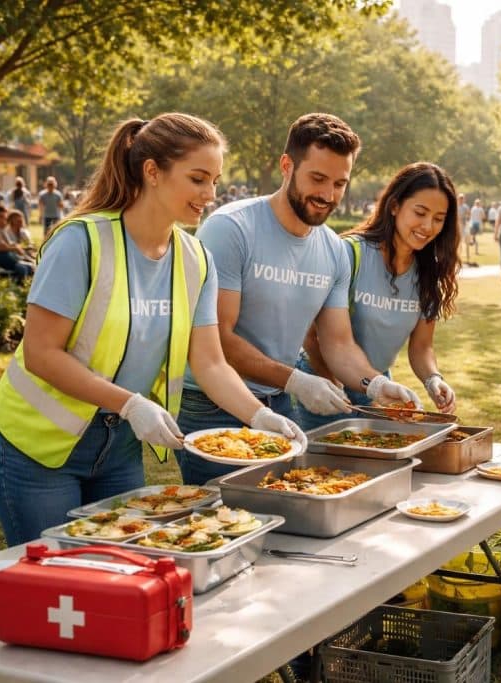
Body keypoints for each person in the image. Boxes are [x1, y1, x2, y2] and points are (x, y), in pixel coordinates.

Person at [0, 113, 303, 546]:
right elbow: (42, 353)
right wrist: (131, 403)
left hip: (118, 451)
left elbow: (210, 362)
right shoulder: (80, 241)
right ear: (152, 171)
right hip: (37, 450)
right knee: (53, 585)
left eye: (214, 181)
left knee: (120, 576)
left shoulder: (196, 259)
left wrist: (258, 416)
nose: (209, 195)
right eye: (197, 179)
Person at [174, 113, 419, 486]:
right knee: (226, 520)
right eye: (317, 179)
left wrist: (372, 384)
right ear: (287, 166)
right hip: (211, 406)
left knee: (282, 515)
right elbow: (219, 338)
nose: (328, 195)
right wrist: (297, 381)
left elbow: (337, 342)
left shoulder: (334, 250)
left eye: (340, 183)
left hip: (280, 401)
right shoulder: (231, 228)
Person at [295, 162, 460, 431]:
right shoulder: (349, 254)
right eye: (420, 212)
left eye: (439, 219)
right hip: (324, 383)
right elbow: (311, 335)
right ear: (394, 206)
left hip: (380, 387)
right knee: (325, 471)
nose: (428, 226)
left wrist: (433, 379)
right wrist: (331, 384)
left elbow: (421, 347)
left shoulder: (429, 274)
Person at [0, 205, 34, 282]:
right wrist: (16, 248)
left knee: (28, 266)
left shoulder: (0, 230)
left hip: (3, 256)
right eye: (1, 217)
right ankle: (20, 285)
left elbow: (10, 244)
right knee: (23, 268)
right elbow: (1, 247)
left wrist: (21, 248)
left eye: (5, 217)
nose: (4, 219)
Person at [457, 193, 471, 263]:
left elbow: (469, 214)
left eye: (462, 198)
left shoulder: (465, 207)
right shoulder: (456, 206)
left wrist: (466, 219)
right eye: (460, 198)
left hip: (465, 225)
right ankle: (458, 256)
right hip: (458, 226)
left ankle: (468, 256)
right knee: (459, 242)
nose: (461, 200)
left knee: (467, 241)